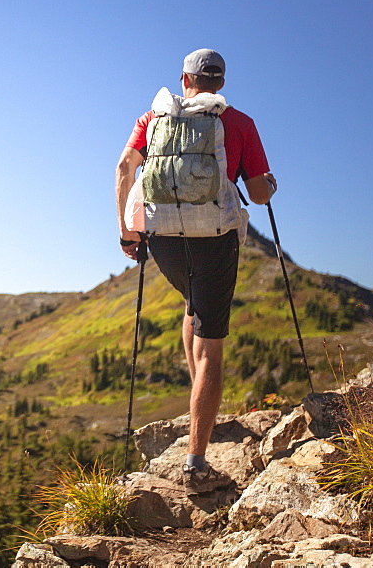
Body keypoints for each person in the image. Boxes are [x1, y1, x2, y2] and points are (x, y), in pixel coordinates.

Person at [113, 48, 277, 491]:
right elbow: (259, 194)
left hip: (162, 239)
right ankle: (196, 463)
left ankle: (197, 404)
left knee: (192, 304)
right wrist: (271, 183)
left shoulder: (153, 119)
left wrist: (128, 233)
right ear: (220, 83)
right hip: (215, 241)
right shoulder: (237, 122)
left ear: (184, 80)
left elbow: (125, 168)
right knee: (211, 346)